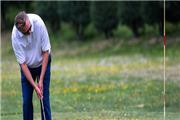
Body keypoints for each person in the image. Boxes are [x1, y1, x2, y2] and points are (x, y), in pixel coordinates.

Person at [11, 11, 52, 120]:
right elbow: (22, 64)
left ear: (28, 20)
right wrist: (35, 86)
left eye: (30, 29)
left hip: (43, 62)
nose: (29, 32)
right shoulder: (15, 36)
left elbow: (46, 52)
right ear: (20, 31)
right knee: (26, 101)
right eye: (26, 31)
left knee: (44, 98)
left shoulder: (38, 23)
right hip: (27, 67)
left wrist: (41, 80)